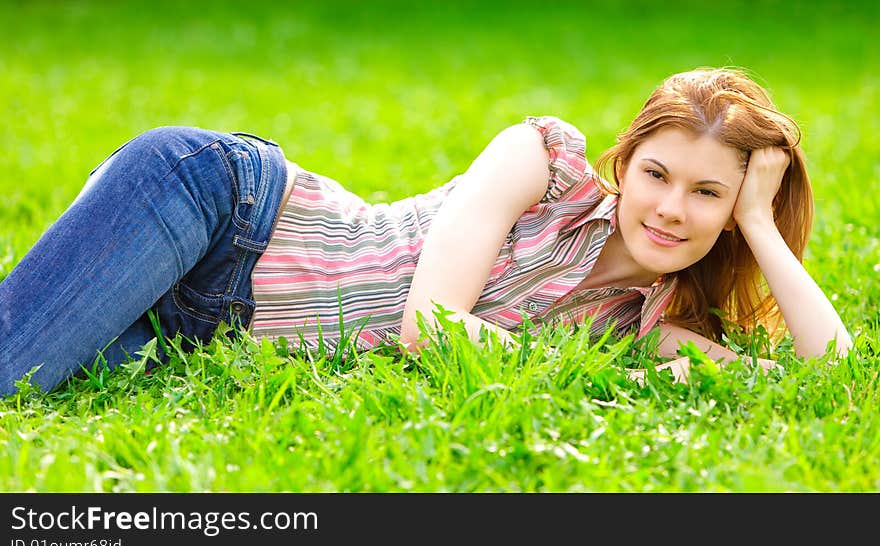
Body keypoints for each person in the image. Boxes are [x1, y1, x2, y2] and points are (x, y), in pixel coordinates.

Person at [0, 66, 852, 397]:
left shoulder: (653, 326)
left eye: (708, 194)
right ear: (625, 163)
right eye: (658, 174)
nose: (671, 208)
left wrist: (759, 226)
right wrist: (585, 372)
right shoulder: (539, 161)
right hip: (222, 211)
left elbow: (833, 372)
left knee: (43, 375)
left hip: (199, 329)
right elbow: (428, 325)